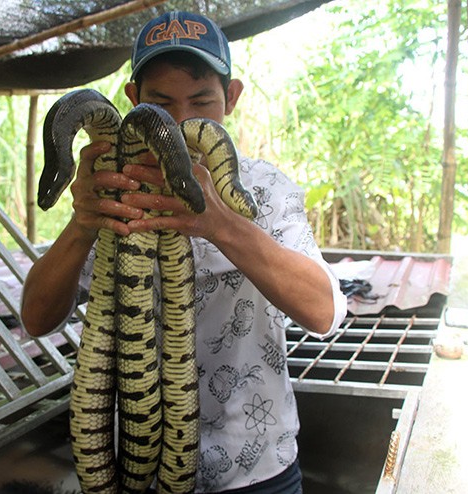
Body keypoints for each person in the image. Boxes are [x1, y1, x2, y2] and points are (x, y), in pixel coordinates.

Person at [22, 10, 347, 493]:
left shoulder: (266, 190)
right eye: (159, 103)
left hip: (257, 472)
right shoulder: (115, 188)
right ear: (133, 101)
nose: (176, 124)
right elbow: (37, 319)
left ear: (230, 98)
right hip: (138, 467)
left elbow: (323, 313)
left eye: (201, 102)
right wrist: (83, 223)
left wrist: (221, 224)